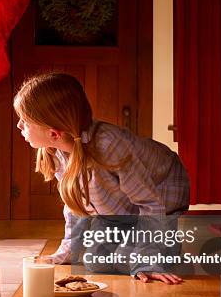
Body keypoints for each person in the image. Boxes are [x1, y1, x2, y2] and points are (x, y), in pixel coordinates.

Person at [14, 73, 190, 285]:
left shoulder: (108, 146)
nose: (19, 126)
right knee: (96, 263)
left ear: (54, 133)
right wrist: (65, 253)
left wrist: (146, 261)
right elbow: (74, 207)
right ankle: (133, 238)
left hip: (160, 191)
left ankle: (167, 244)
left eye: (25, 121)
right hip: (118, 207)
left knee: (130, 261)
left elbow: (150, 203)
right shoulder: (56, 151)